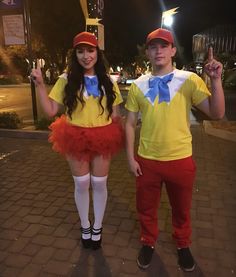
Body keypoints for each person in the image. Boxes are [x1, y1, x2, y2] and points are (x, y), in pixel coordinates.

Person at [125, 28, 224, 271]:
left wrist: (216, 80)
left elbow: (217, 113)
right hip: (147, 160)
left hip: (180, 160)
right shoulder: (138, 85)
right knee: (146, 208)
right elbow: (128, 123)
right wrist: (130, 157)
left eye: (163, 45)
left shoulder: (188, 80)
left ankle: (182, 244)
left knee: (182, 208)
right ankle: (148, 242)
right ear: (147, 52)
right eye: (153, 46)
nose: (158, 50)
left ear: (172, 50)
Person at [31, 31, 124, 250]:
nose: (86, 56)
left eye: (90, 50)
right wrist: (40, 85)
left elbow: (116, 113)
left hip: (103, 135)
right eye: (80, 51)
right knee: (82, 183)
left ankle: (97, 227)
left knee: (99, 183)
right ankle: (85, 225)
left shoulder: (109, 81)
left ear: (97, 53)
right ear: (75, 55)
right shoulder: (66, 79)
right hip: (75, 135)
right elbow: (51, 111)